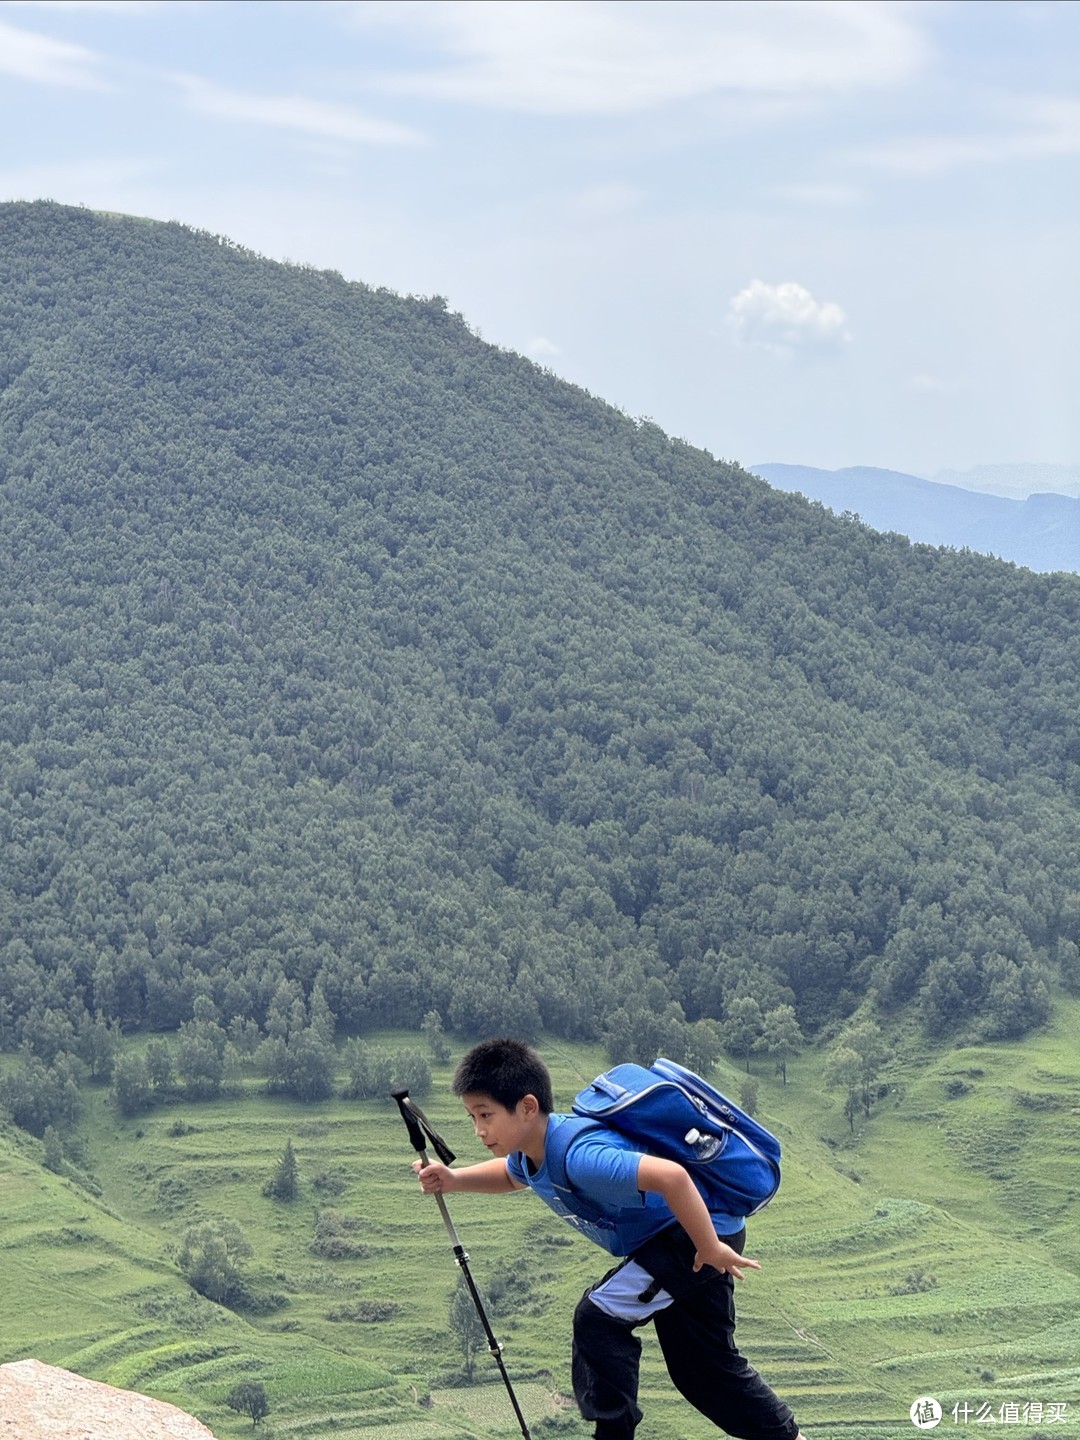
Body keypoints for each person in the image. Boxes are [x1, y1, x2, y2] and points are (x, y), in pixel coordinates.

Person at [413, 1036, 806, 1440]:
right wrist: (454, 1179)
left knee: (597, 1316)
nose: (479, 1131)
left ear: (528, 1107)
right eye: (472, 1118)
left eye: (486, 1115)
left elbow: (672, 1177)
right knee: (703, 1373)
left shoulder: (581, 1157)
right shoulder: (531, 1155)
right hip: (695, 1238)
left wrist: (708, 1246)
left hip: (693, 1240)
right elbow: (513, 1177)